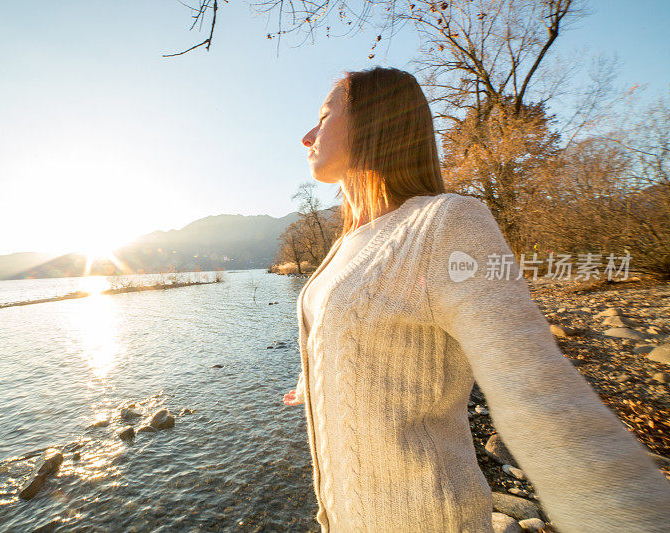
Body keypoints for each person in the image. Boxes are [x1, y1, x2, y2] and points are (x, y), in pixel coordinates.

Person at [282, 66, 670, 532]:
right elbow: (363, 331)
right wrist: (319, 378)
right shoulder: (346, 244)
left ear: (374, 121)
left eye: (324, 116)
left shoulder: (446, 225)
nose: (307, 136)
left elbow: (540, 399)